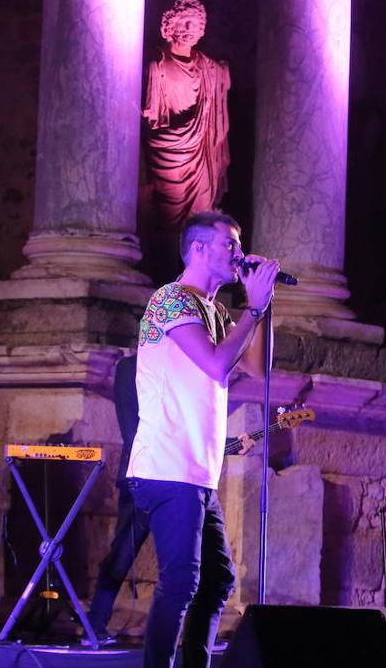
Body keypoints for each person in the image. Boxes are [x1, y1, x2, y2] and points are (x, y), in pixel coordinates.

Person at [125, 210, 277, 668]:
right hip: (166, 465)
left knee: (217, 580)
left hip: (197, 472)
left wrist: (263, 305)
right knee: (181, 583)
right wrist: (252, 309)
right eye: (229, 244)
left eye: (239, 245)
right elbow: (214, 364)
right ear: (197, 249)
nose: (238, 253)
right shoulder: (170, 300)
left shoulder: (217, 311)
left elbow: (258, 368)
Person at [86, 354, 253, 647]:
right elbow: (134, 429)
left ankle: (198, 635)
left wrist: (227, 445)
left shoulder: (184, 367)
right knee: (124, 552)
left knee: (200, 564)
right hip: (146, 474)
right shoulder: (131, 367)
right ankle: (95, 625)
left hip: (181, 479)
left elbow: (188, 430)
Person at [143, 0, 232, 235]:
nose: (191, 29)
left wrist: (222, 73)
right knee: (167, 224)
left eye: (197, 23)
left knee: (199, 219)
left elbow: (221, 81)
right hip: (168, 155)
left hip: (200, 155)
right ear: (169, 24)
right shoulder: (158, 65)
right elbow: (151, 120)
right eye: (185, 22)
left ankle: (193, 257)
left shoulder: (208, 68)